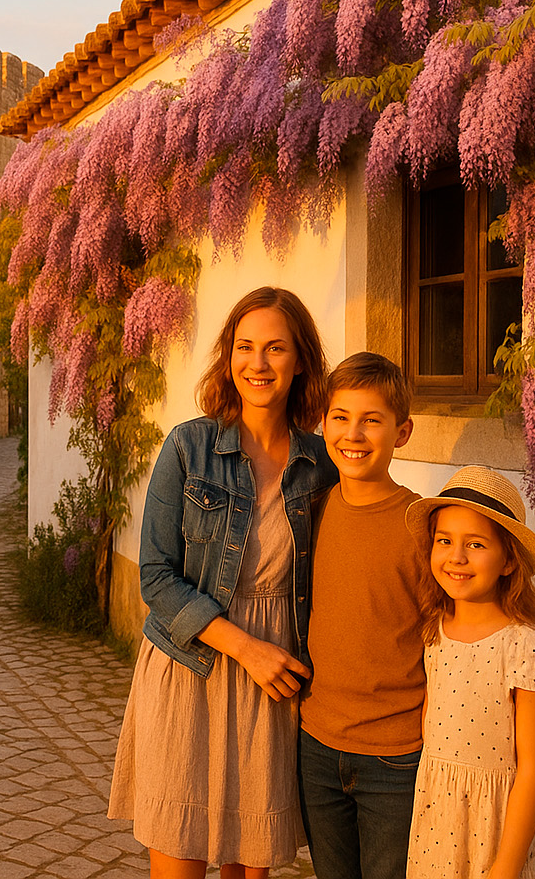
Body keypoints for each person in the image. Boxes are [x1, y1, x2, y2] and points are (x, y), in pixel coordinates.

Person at [297, 353, 535, 879]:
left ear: (402, 432)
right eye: (341, 417)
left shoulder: (422, 529)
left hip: (396, 758)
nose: (354, 433)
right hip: (318, 744)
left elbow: (470, 600)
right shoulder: (315, 506)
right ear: (322, 423)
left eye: (372, 419)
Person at [108, 286, 339, 878]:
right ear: (228, 356)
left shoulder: (323, 462)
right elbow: (156, 579)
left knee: (248, 871)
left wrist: (520, 615)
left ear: (302, 360)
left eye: (276, 349)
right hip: (191, 667)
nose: (257, 364)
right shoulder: (188, 446)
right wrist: (247, 649)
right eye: (245, 347)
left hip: (269, 690)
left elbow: (386, 539)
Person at [404, 467, 535, 879]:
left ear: (509, 561)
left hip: (498, 828)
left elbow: (534, 769)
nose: (456, 556)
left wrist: (505, 868)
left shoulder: (524, 644)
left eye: (475, 544)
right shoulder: (433, 629)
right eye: (445, 541)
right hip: (437, 826)